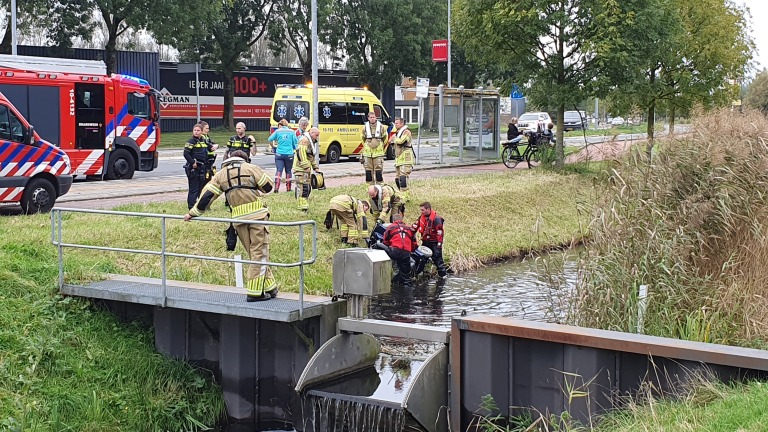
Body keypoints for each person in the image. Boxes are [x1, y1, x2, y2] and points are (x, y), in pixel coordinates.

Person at [183, 150, 277, 301]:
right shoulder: (251, 168)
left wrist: (192, 213)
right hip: (257, 217)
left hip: (238, 219)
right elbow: (267, 187)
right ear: (245, 160)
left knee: (254, 255)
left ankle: (271, 287)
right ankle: (254, 293)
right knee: (259, 254)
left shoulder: (220, 175)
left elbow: (207, 197)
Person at [372, 214, 417, 289]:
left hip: (394, 251)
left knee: (378, 244)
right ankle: (408, 294)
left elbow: (385, 241)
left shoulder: (391, 227)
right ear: (402, 220)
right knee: (407, 278)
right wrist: (410, 251)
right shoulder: (409, 229)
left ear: (393, 220)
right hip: (406, 253)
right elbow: (414, 244)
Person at [183, 124, 216, 209]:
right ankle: (191, 206)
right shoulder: (191, 141)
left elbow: (210, 147)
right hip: (194, 168)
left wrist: (215, 146)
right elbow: (186, 154)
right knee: (194, 188)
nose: (196, 132)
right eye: (195, 130)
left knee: (201, 187)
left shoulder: (203, 140)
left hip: (202, 167)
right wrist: (192, 162)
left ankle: (200, 205)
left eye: (198, 130)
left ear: (201, 132)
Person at [412, 201, 448, 277]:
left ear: (428, 209)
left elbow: (440, 233)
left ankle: (443, 277)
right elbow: (415, 226)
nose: (421, 212)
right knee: (421, 258)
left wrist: (439, 246)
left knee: (438, 260)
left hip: (434, 243)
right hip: (425, 242)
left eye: (423, 210)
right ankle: (416, 274)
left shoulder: (436, 219)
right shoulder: (421, 217)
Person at [292, 127, 321, 211]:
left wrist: (315, 167)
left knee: (307, 187)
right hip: (301, 170)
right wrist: (306, 166)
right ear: (311, 133)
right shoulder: (304, 141)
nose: (317, 137)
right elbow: (301, 154)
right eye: (316, 135)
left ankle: (303, 205)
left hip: (305, 170)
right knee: (303, 188)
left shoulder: (310, 142)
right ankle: (301, 208)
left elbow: (310, 156)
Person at [267, 119, 298, 193]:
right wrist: (293, 148)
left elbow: (269, 139)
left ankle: (276, 188)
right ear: (287, 124)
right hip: (289, 154)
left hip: (279, 154)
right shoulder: (292, 132)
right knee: (288, 171)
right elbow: (295, 142)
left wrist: (274, 146)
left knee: (279, 170)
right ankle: (288, 188)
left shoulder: (278, 131)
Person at [361, 111, 388, 185]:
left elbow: (385, 138)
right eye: (371, 117)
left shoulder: (381, 127)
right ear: (368, 118)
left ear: (376, 117)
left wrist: (380, 145)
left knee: (378, 171)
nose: (372, 119)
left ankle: (380, 186)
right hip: (368, 153)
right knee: (368, 171)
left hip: (378, 153)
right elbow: (362, 138)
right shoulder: (365, 127)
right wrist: (367, 145)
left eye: (374, 117)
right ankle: (370, 186)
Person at [391, 117, 414, 195]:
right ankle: (401, 193)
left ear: (401, 123)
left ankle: (405, 195)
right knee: (397, 179)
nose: (395, 125)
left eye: (397, 123)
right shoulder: (397, 133)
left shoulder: (406, 132)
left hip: (406, 158)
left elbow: (401, 141)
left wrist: (394, 138)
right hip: (399, 159)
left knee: (403, 178)